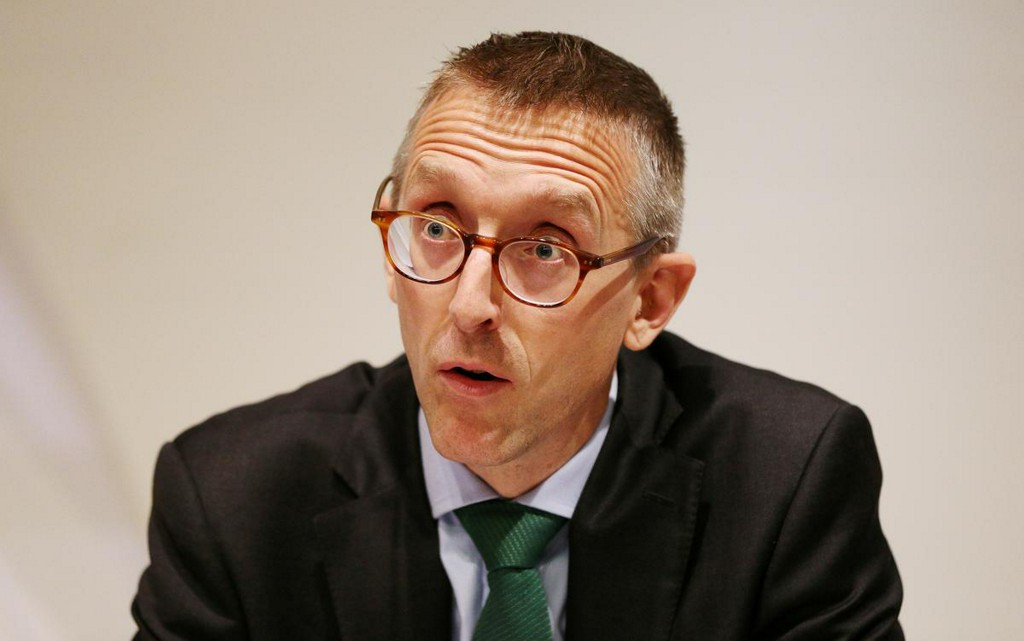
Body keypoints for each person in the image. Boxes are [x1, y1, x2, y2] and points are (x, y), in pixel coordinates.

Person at [132, 31, 903, 640]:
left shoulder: (785, 482)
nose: (469, 305)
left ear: (650, 299)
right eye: (437, 226)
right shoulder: (233, 500)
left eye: (544, 249)